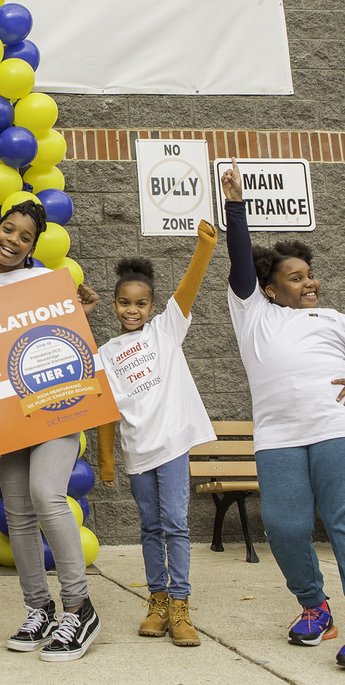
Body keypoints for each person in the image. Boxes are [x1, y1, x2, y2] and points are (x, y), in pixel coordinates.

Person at [221, 159, 345, 673]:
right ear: (271, 289)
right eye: (295, 278)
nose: (309, 283)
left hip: (340, 426)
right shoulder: (252, 312)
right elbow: (239, 263)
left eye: (311, 275)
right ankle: (315, 607)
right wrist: (236, 204)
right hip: (278, 435)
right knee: (283, 525)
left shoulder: (333, 319)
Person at [0, 200, 103, 662]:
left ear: (33, 246)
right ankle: (38, 607)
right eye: (8, 229)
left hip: (53, 406)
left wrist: (79, 312)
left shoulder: (49, 283)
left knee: (47, 494)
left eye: (24, 236)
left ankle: (79, 607)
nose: (12, 240)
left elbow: (70, 344)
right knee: (19, 512)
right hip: (5, 418)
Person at [94, 221, 218, 647]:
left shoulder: (165, 332)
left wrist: (204, 248)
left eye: (141, 303)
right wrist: (106, 461)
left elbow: (186, 291)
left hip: (171, 446)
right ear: (114, 305)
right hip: (137, 453)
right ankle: (158, 601)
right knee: (149, 527)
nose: (133, 310)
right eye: (125, 303)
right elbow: (106, 412)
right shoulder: (105, 353)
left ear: (151, 307)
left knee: (175, 524)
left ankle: (181, 606)